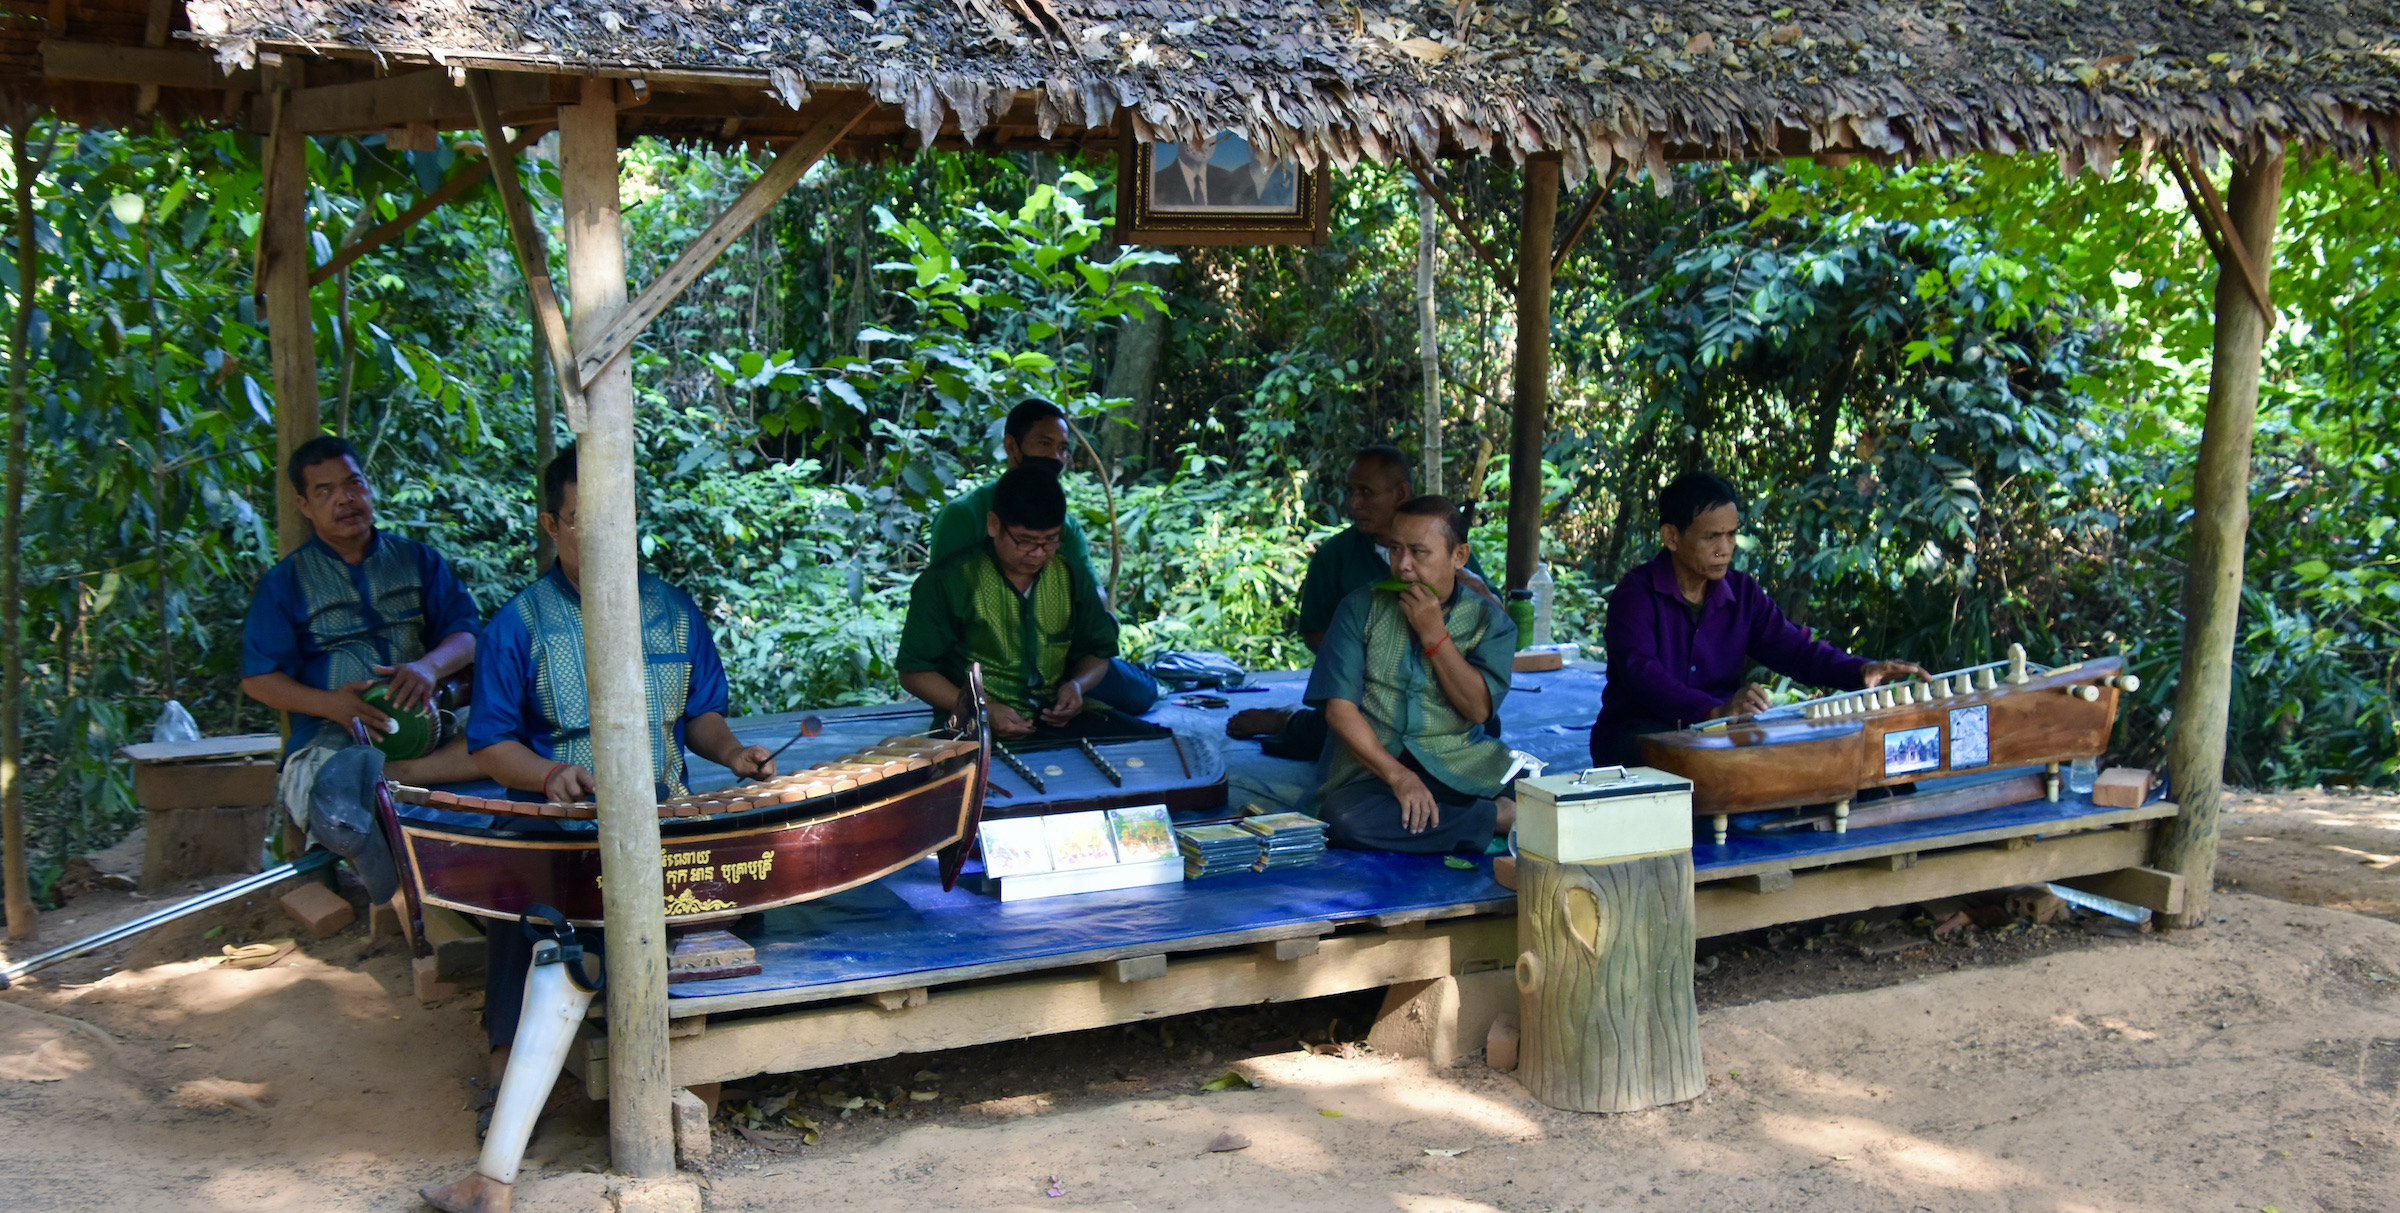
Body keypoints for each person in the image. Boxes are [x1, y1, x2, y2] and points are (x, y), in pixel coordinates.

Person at [464, 446, 777, 1070]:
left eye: (618, 515)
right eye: (583, 517)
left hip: (668, 818)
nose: (605, 532)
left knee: (752, 886)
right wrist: (551, 775)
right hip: (560, 828)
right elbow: (492, 746)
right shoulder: (518, 625)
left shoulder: (675, 611)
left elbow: (700, 717)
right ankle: (504, 1069)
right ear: (552, 525)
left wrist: (736, 753)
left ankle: (699, 1045)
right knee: (519, 905)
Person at [1589, 471, 1927, 766]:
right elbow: (1642, 675)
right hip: (1636, 734)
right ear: (1671, 537)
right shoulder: (1636, 594)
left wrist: (1860, 670)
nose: (1726, 548)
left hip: (1719, 738)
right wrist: (1713, 712)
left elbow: (1796, 650)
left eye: (1731, 534)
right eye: (1711, 537)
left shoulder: (1742, 593)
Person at [239, 435, 482, 836]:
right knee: (324, 787)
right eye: (325, 491)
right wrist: (333, 706)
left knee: (508, 735)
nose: (345, 499)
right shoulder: (284, 583)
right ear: (304, 506)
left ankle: (393, 776)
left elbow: (468, 635)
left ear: (369, 486)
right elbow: (258, 679)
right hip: (336, 735)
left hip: (433, 718)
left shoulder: (418, 560)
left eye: (353, 484)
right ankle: (380, 799)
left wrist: (428, 667)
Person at [1232, 444, 1491, 757]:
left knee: (1483, 730)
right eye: (1351, 491)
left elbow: (1495, 623)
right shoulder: (1335, 557)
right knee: (1340, 735)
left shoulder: (1446, 551)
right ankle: (1288, 721)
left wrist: (1472, 587)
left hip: (1440, 685)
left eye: (1366, 492)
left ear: (1400, 493)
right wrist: (1375, 659)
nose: (1354, 503)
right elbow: (1315, 633)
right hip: (1369, 693)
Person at [1305, 495, 1518, 853]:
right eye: (1394, 549)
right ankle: (1493, 819)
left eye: (1419, 552)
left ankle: (1457, 818)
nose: (1403, 566)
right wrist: (1400, 778)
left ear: (1459, 557)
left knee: (1546, 799)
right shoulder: (1359, 608)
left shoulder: (1489, 621)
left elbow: (1479, 711)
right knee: (1342, 819)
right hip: (1376, 772)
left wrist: (1435, 635)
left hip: (1461, 763)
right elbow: (1339, 711)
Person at [927, 397, 1157, 716]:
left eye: (1063, 448)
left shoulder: (1067, 525)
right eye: (1044, 443)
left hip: (1055, 659)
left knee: (1140, 692)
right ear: (1011, 446)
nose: (1055, 456)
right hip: (983, 661)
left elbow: (1093, 599)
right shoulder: (963, 516)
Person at [899, 464, 1135, 741]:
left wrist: (1077, 686)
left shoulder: (1070, 576)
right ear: (994, 525)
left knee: (1145, 747)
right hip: (972, 729)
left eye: (1050, 541)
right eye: (1025, 541)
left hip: (1055, 724)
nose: (1038, 553)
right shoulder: (949, 580)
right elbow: (914, 672)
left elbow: (1098, 653)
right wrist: (981, 708)